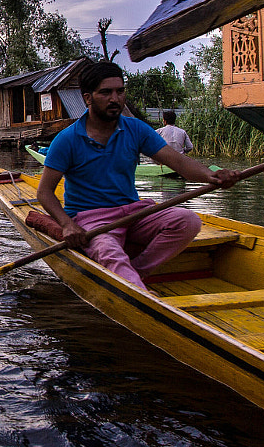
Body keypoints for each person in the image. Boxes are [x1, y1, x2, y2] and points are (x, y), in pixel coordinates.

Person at [36, 63, 240, 289]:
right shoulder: (67, 140)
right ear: (88, 98)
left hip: (133, 212)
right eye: (106, 92)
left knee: (187, 220)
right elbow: (44, 193)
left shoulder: (136, 129)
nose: (115, 99)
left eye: (120, 91)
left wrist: (213, 176)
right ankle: (140, 292)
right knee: (108, 251)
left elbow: (179, 162)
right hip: (92, 219)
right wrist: (67, 225)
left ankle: (137, 273)